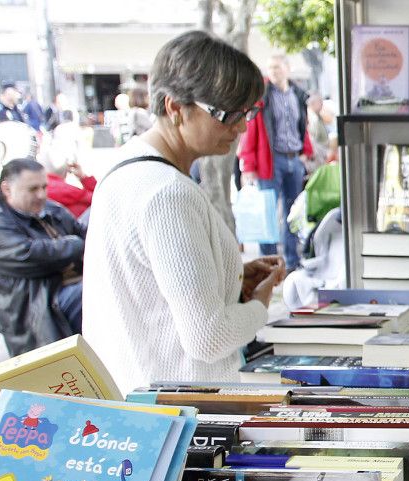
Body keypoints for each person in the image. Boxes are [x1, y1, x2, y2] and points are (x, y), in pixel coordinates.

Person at [83, 30, 284, 394]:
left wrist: (231, 278)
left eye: (247, 113)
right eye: (227, 114)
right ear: (176, 108)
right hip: (185, 415)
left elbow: (150, 296)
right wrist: (259, 305)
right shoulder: (168, 193)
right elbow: (208, 337)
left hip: (141, 402)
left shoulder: (125, 171)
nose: (240, 128)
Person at [0, 158, 85, 355]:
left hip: (61, 289)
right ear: (7, 189)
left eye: (44, 187)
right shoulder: (1, 221)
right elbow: (31, 255)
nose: (42, 195)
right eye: (33, 189)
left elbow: (87, 234)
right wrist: (74, 244)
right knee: (90, 294)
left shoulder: (52, 209)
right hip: (35, 305)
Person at [238, 53, 313, 271]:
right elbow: (251, 131)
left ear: (287, 69)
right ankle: (268, 264)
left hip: (294, 158)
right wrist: (249, 164)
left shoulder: (297, 95)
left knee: (293, 212)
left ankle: (291, 261)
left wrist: (305, 151)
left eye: (277, 67)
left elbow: (301, 126)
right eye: (270, 68)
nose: (273, 72)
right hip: (271, 160)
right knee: (267, 213)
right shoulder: (263, 98)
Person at [42, 148, 95, 220]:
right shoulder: (67, 189)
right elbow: (98, 199)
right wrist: (83, 177)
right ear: (67, 168)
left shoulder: (41, 188)